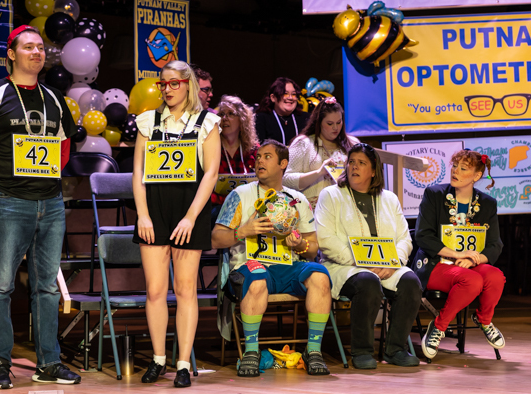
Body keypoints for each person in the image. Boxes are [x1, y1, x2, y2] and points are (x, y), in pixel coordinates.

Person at [0, 25, 81, 389]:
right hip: (8, 202)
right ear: (11, 54)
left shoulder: (55, 98)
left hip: (50, 204)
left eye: (40, 48)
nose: (36, 53)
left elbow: (62, 147)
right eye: (28, 47)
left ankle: (49, 363)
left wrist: (49, 182)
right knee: (0, 286)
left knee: (47, 287)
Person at [132, 60, 221, 388]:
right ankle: (158, 359)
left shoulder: (207, 122)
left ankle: (183, 363)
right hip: (154, 211)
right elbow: (138, 174)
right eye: (163, 84)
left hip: (189, 213)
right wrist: (142, 214)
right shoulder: (148, 121)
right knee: (155, 290)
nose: (167, 89)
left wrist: (191, 217)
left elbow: (211, 173)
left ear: (188, 85)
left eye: (174, 84)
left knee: (185, 290)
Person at [212, 139, 332, 377]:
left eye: (267, 157)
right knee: (257, 276)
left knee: (320, 276)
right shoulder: (240, 195)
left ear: (283, 164)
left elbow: (312, 248)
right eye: (257, 157)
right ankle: (251, 352)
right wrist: (242, 231)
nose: (259, 161)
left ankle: (314, 351)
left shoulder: (297, 200)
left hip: (287, 267)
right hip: (250, 266)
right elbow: (216, 239)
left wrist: (300, 244)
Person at [315, 143, 422, 369]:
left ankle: (396, 349)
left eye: (361, 163)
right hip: (344, 266)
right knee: (367, 281)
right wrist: (362, 262)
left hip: (386, 266)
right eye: (351, 162)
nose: (354, 167)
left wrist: (393, 265)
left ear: (374, 170)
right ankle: (362, 351)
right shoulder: (331, 195)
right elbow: (325, 239)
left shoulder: (389, 199)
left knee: (410, 281)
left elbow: (404, 239)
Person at [414, 150, 505, 359]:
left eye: (463, 168)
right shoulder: (434, 195)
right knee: (472, 281)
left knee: (495, 276)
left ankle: (484, 319)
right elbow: (423, 235)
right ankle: (438, 326)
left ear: (476, 176)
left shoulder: (488, 203)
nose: (455, 171)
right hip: (436, 263)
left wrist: (473, 258)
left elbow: (495, 244)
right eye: (454, 166)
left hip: (468, 264)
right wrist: (457, 254)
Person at [284, 97, 359, 209]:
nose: (335, 128)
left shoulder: (352, 144)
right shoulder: (303, 143)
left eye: (339, 122)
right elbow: (285, 179)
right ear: (319, 122)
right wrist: (318, 173)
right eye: (329, 124)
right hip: (310, 212)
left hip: (345, 208)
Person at [211, 95, 259, 226]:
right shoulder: (210, 147)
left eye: (231, 114)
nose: (225, 118)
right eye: (221, 114)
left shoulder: (254, 150)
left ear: (242, 120)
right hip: (217, 208)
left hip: (248, 206)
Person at [255, 77, 309, 145]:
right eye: (285, 94)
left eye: (293, 94)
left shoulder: (306, 118)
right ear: (273, 98)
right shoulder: (261, 118)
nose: (290, 98)